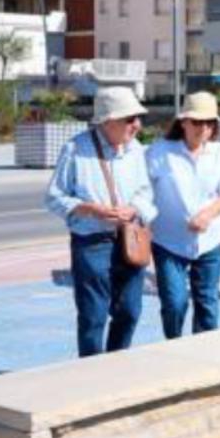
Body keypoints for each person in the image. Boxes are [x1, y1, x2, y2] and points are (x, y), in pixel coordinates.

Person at [45, 87, 158, 357]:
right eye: (129, 119)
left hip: (130, 239)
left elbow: (147, 194)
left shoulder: (136, 151)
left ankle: (116, 365)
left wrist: (133, 209)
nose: (137, 125)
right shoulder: (75, 149)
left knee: (130, 311)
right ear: (107, 121)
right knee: (93, 316)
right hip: (91, 243)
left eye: (138, 118)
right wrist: (88, 209)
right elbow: (53, 197)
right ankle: (90, 372)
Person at [147, 92, 220, 339]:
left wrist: (208, 214)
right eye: (197, 122)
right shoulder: (160, 152)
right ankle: (174, 347)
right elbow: (142, 190)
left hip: (209, 243)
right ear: (183, 122)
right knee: (175, 304)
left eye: (210, 123)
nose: (204, 128)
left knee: (208, 305)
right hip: (169, 243)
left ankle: (204, 357)